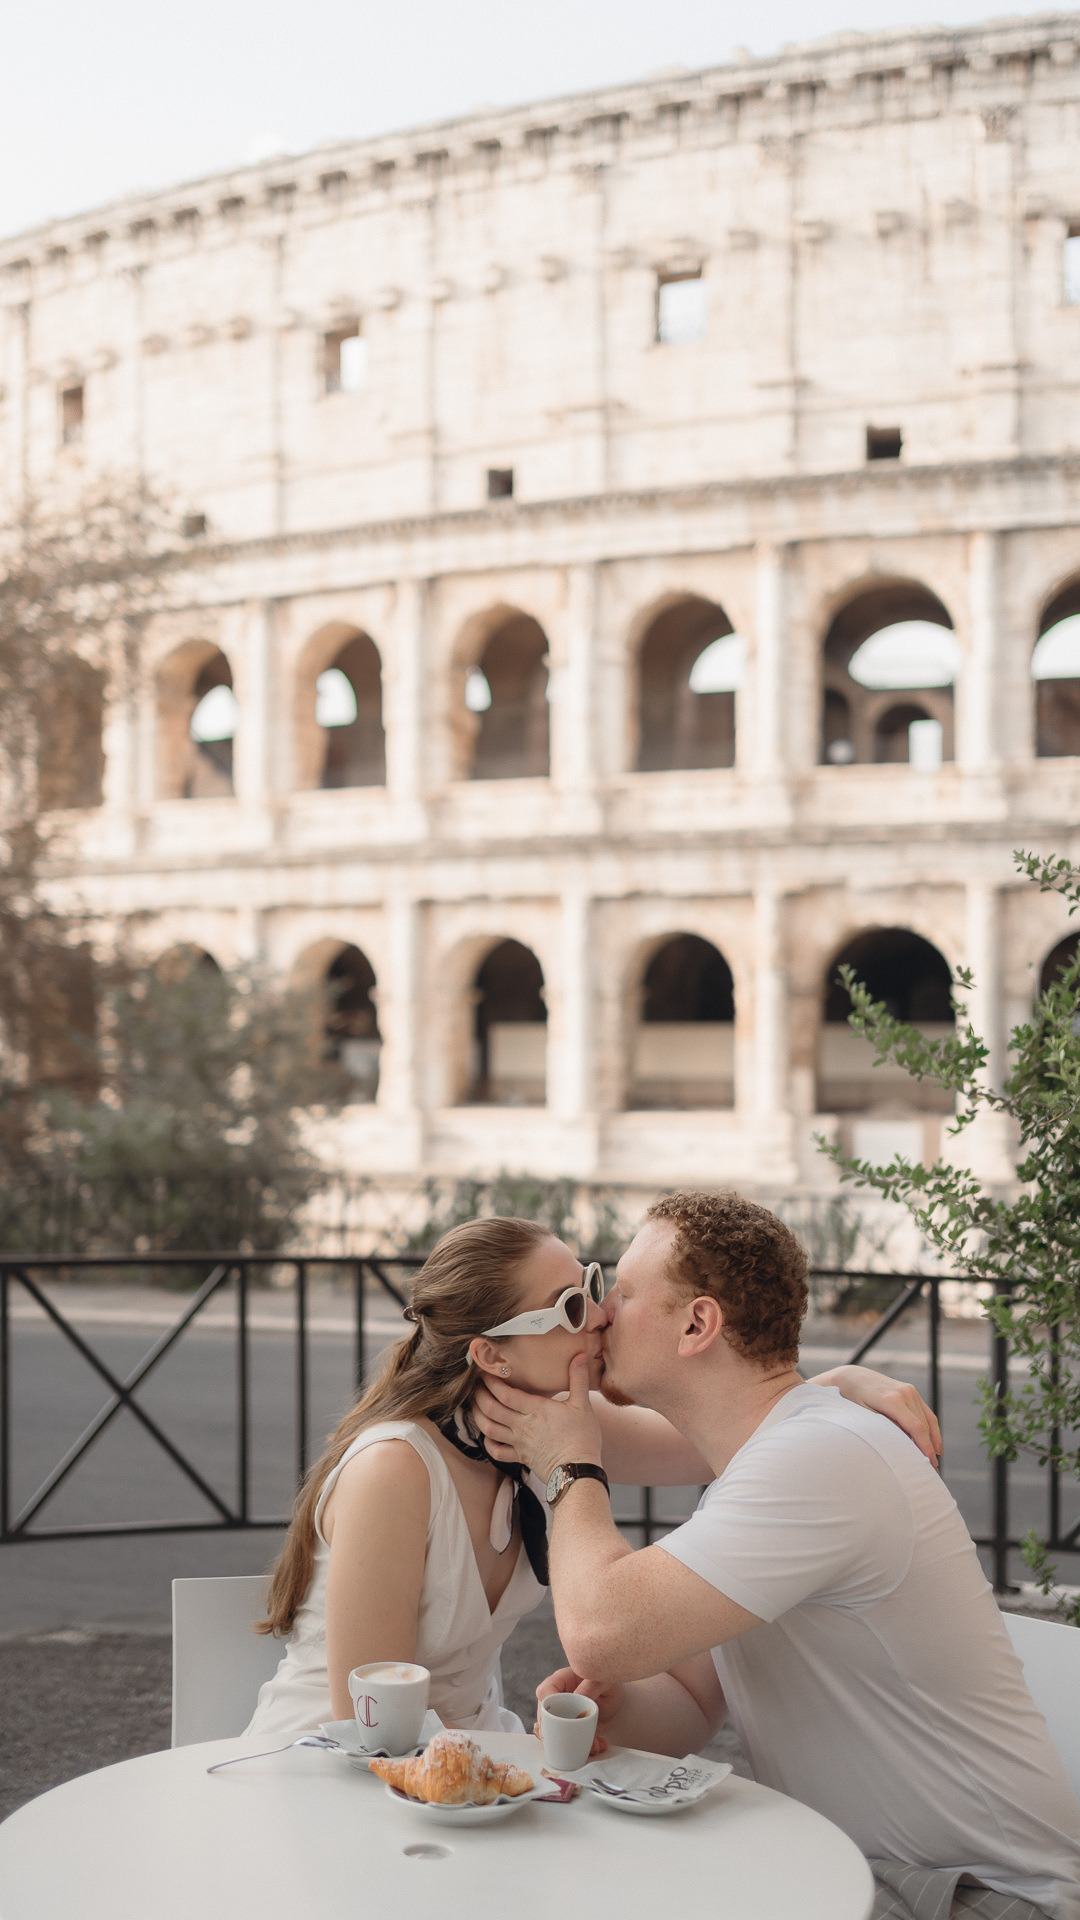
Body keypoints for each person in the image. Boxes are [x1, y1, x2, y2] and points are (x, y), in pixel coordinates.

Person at [476, 1190, 1080, 1920]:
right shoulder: (777, 1459)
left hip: (980, 1896)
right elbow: (694, 1703)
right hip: (865, 1875)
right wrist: (619, 1707)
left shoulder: (817, 1459)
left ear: (697, 1325)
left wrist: (570, 1467)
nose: (600, 1313)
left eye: (623, 1293)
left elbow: (603, 1633)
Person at [244, 1212, 941, 1742]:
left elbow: (725, 1433)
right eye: (572, 1307)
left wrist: (841, 1382)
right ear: (493, 1356)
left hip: (474, 1768)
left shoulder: (547, 1427)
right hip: (336, 1774)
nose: (602, 1315)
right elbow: (365, 1722)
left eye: (592, 1285)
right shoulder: (395, 1468)